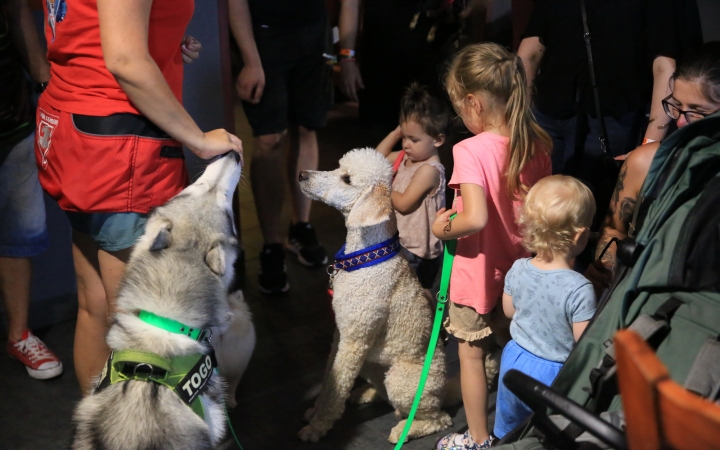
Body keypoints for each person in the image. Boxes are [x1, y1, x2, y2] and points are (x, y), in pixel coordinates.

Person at [37, 0, 243, 394]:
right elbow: (126, 60)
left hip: (74, 129)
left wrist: (162, 40)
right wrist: (198, 139)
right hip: (117, 143)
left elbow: (92, 31)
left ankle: (101, 434)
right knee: (145, 331)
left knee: (96, 304)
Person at [432, 43, 552, 449]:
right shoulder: (537, 143)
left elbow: (476, 218)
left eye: (458, 107)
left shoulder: (469, 149)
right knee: (516, 344)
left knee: (470, 354)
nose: (460, 117)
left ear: (473, 102)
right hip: (521, 271)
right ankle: (529, 424)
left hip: (478, 273)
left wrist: (443, 226)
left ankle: (479, 439)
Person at [586, 41, 720, 296]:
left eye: (698, 112)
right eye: (676, 105)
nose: (680, 121)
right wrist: (606, 271)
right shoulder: (645, 162)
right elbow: (615, 228)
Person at [229, 0, 331, 295]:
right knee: (270, 138)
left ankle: (301, 226)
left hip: (314, 31)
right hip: (264, 36)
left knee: (307, 128)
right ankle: (271, 243)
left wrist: (344, 50)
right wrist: (250, 59)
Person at [517, 0, 680, 177]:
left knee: (596, 196)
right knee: (540, 195)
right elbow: (529, 54)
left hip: (613, 118)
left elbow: (665, 67)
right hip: (546, 113)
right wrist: (517, 116)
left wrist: (651, 144)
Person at [494, 175, 597, 439]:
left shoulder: (518, 268)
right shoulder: (579, 288)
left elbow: (508, 312)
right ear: (580, 234)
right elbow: (584, 343)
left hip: (514, 360)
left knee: (509, 426)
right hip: (552, 373)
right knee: (545, 435)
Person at [1, 0, 62, 380]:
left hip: (12, 113)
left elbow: (17, 10)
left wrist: (45, 87)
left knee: (19, 234)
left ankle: (19, 334)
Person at [375, 83, 450, 288]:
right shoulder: (404, 157)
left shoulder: (429, 170)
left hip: (418, 252)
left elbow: (405, 203)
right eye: (404, 137)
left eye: (414, 139)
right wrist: (395, 134)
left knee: (417, 298)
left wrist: (380, 187)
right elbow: (374, 159)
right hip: (400, 242)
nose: (406, 144)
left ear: (437, 140)